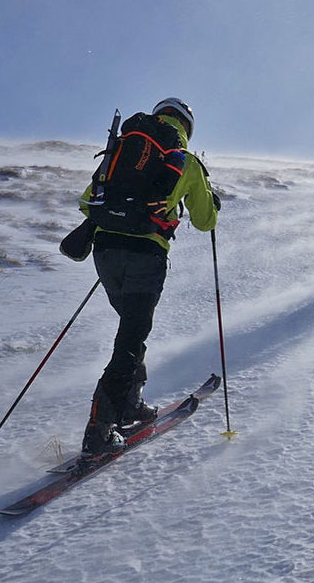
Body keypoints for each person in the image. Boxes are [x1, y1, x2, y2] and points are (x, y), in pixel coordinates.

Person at [77, 97, 219, 457]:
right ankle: (100, 427)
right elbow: (205, 222)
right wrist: (210, 202)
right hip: (146, 254)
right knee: (131, 335)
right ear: (187, 127)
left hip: (105, 250)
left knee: (132, 328)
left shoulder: (123, 148)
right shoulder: (186, 161)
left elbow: (86, 201)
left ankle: (130, 402)